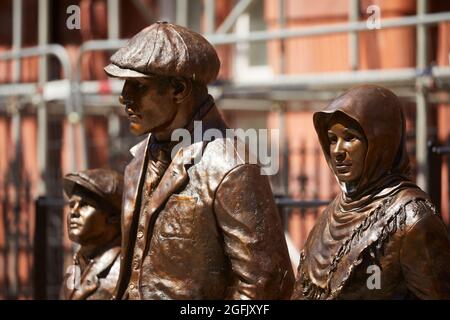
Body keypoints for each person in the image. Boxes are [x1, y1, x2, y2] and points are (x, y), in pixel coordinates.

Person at [104, 21, 294, 300]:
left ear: (178, 89)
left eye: (138, 86)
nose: (124, 97)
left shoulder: (230, 166)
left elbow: (268, 285)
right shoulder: (138, 161)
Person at [292, 84, 450, 300]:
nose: (337, 151)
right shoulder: (335, 210)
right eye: (332, 139)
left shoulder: (413, 219)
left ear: (381, 141)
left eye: (349, 137)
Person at [62, 169, 123, 300]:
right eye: (71, 205)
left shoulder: (126, 270)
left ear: (113, 216)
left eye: (84, 205)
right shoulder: (76, 265)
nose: (73, 212)